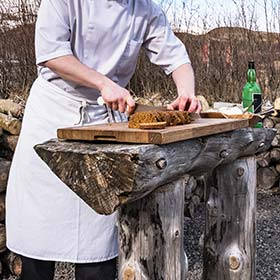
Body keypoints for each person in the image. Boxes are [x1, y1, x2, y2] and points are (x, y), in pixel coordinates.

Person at [6, 0, 201, 279]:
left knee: (98, 247)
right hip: (52, 113)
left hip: (106, 122)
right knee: (38, 243)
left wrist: (187, 93)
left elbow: (176, 57)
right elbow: (52, 54)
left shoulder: (146, 9)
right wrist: (103, 83)